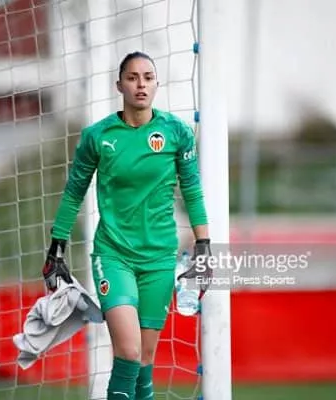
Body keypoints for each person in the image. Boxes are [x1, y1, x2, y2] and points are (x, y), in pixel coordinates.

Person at [42, 51, 212, 400]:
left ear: (157, 84)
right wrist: (56, 248)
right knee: (129, 352)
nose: (141, 85)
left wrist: (204, 247)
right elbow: (74, 192)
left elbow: (193, 191)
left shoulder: (177, 133)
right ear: (119, 85)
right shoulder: (98, 136)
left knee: (145, 362)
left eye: (148, 77)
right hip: (114, 255)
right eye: (132, 78)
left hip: (159, 259)